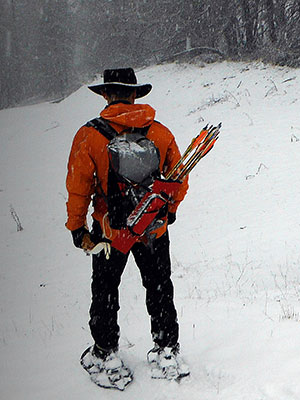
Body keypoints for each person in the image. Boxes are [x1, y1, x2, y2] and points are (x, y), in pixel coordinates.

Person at [66, 68, 190, 385]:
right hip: (152, 229)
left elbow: (78, 186)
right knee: (160, 289)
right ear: (135, 94)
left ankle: (106, 355)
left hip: (109, 232)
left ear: (107, 95)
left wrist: (78, 228)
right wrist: (168, 212)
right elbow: (179, 178)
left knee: (106, 293)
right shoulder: (160, 133)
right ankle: (166, 351)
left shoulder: (89, 135)